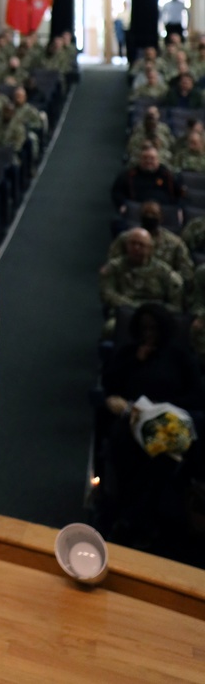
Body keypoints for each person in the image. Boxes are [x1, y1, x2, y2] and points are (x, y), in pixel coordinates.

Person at [96, 303, 203, 548]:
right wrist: (134, 361)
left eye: (153, 328)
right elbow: (109, 384)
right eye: (144, 328)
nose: (148, 333)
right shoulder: (129, 353)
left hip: (168, 421)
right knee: (125, 444)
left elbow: (197, 396)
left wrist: (161, 405)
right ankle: (136, 518)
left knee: (163, 454)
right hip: (131, 419)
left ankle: (134, 518)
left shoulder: (179, 356)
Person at [99, 229, 183, 332]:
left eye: (141, 245)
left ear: (150, 249)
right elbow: (107, 294)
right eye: (133, 243)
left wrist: (154, 311)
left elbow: (176, 305)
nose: (136, 248)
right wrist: (135, 307)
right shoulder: (114, 268)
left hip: (157, 316)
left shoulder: (164, 272)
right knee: (110, 329)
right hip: (126, 313)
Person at [106, 201, 194, 285]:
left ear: (161, 217)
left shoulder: (175, 243)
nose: (150, 217)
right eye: (146, 214)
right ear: (140, 216)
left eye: (154, 214)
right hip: (131, 288)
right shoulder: (126, 239)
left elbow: (186, 272)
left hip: (162, 291)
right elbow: (112, 266)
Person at [112, 143, 183, 219]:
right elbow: (117, 192)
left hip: (165, 213)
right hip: (136, 212)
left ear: (158, 160)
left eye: (152, 158)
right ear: (140, 159)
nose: (148, 161)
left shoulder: (167, 175)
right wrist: (122, 204)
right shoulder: (129, 175)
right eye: (145, 158)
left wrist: (179, 208)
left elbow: (181, 194)